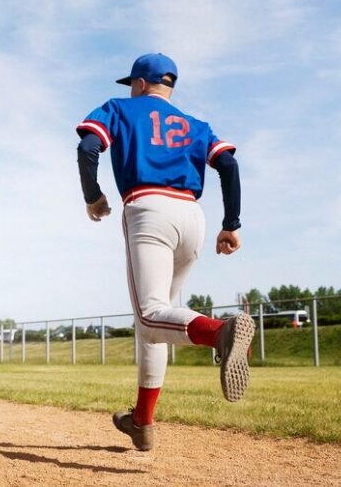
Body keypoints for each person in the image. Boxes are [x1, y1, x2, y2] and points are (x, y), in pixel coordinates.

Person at [75, 52, 254, 452]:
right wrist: (232, 224)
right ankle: (141, 421)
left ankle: (220, 334)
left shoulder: (121, 108)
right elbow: (228, 165)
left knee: (151, 314)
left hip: (149, 208)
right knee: (157, 321)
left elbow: (89, 147)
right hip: (193, 216)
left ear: (139, 83)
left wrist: (93, 196)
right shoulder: (196, 124)